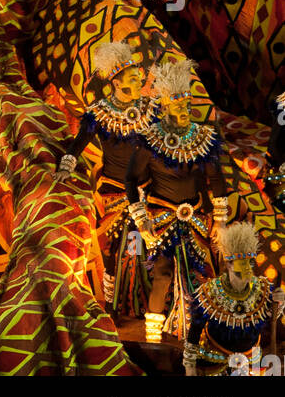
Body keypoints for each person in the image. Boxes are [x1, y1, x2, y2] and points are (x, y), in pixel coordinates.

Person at [125, 59, 229, 342]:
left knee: (203, 274)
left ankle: (199, 336)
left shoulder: (204, 138)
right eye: (178, 107)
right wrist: (142, 219)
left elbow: (217, 181)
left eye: (187, 106)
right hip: (162, 218)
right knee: (163, 274)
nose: (184, 112)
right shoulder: (150, 139)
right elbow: (132, 181)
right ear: (166, 107)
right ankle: (153, 338)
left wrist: (219, 223)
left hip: (196, 217)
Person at [57, 39, 158, 314]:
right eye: (134, 80)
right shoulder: (99, 114)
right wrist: (66, 166)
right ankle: (112, 306)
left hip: (147, 190)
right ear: (116, 83)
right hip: (112, 191)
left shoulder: (151, 109)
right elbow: (78, 143)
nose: (140, 84)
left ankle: (145, 305)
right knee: (112, 250)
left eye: (140, 79)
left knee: (144, 248)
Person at [184, 222, 284, 376]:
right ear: (229, 264)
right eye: (241, 265)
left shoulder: (263, 290)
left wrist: (279, 302)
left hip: (251, 364)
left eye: (250, 264)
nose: (247, 270)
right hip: (215, 362)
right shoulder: (209, 292)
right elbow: (195, 331)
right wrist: (190, 367)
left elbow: (270, 318)